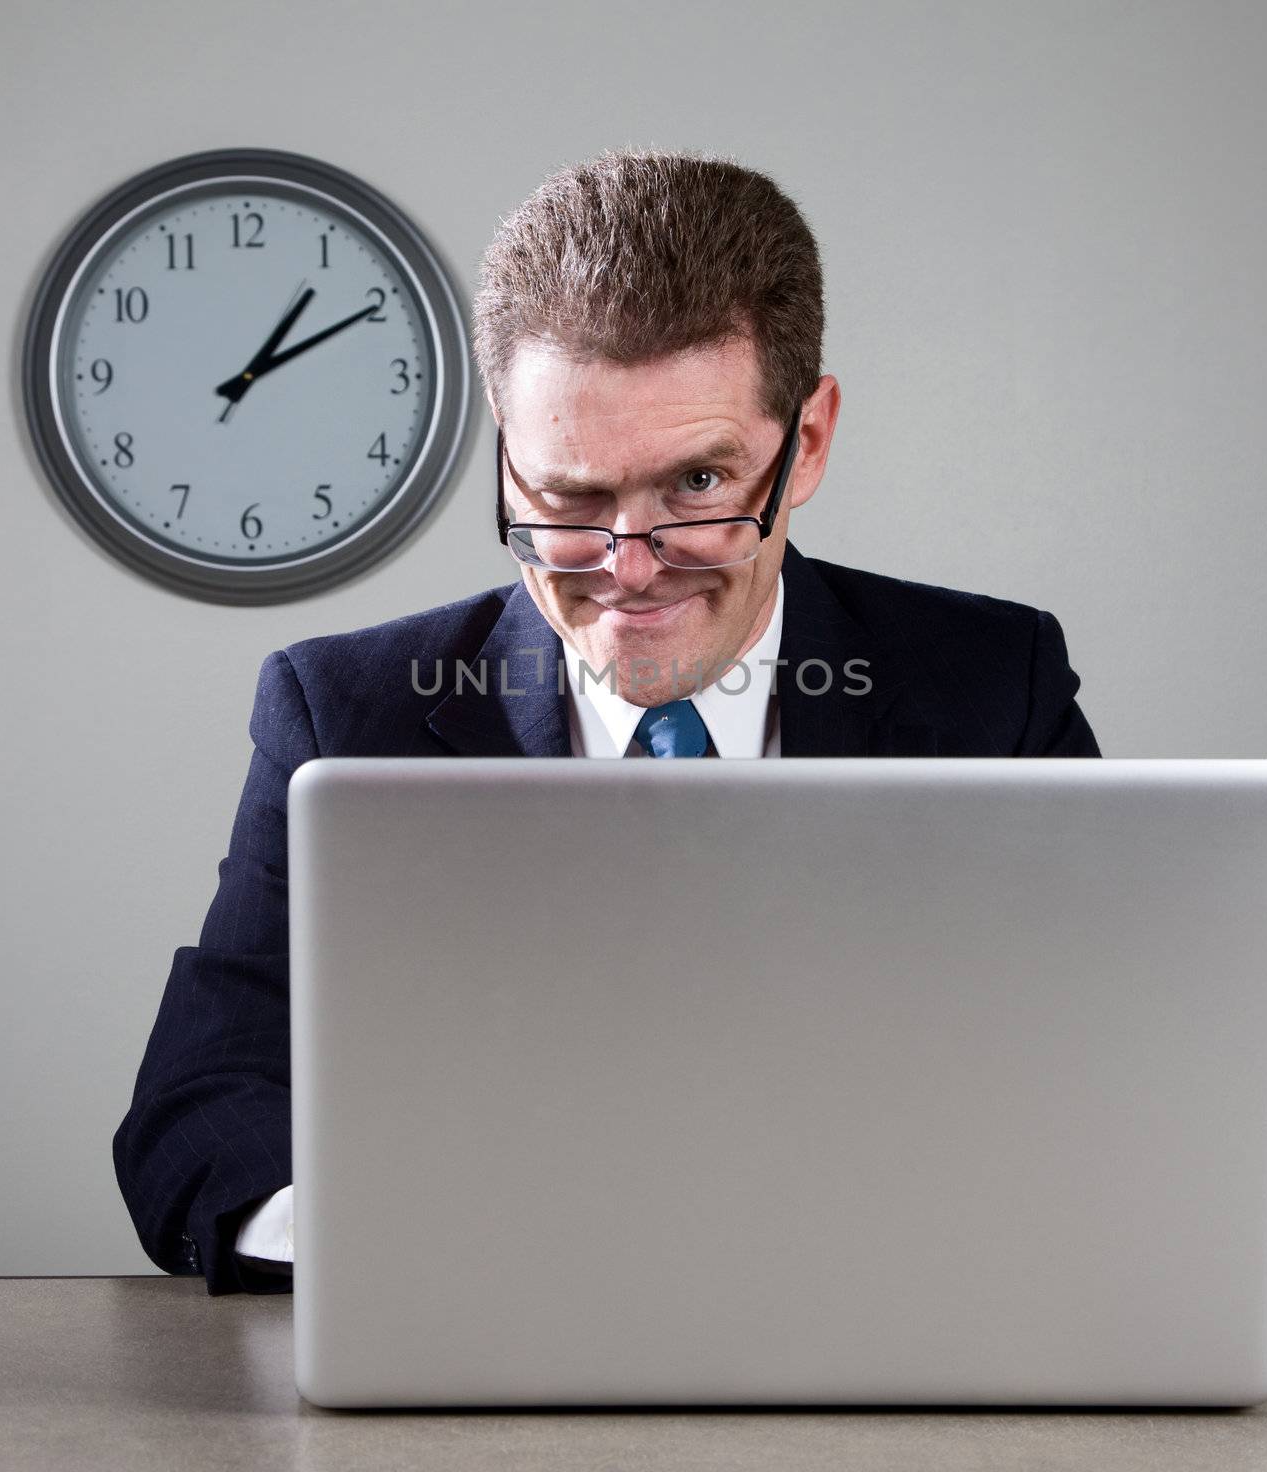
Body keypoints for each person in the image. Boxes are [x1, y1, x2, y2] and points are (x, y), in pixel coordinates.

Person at [112, 149, 1102, 1294]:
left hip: (899, 1324)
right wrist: (377, 1245)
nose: (630, 570)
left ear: (809, 442)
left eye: (695, 487)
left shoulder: (992, 685)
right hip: (479, 1340)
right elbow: (199, 1110)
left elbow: (1104, 1069)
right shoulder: (343, 714)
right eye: (568, 499)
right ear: (501, 452)